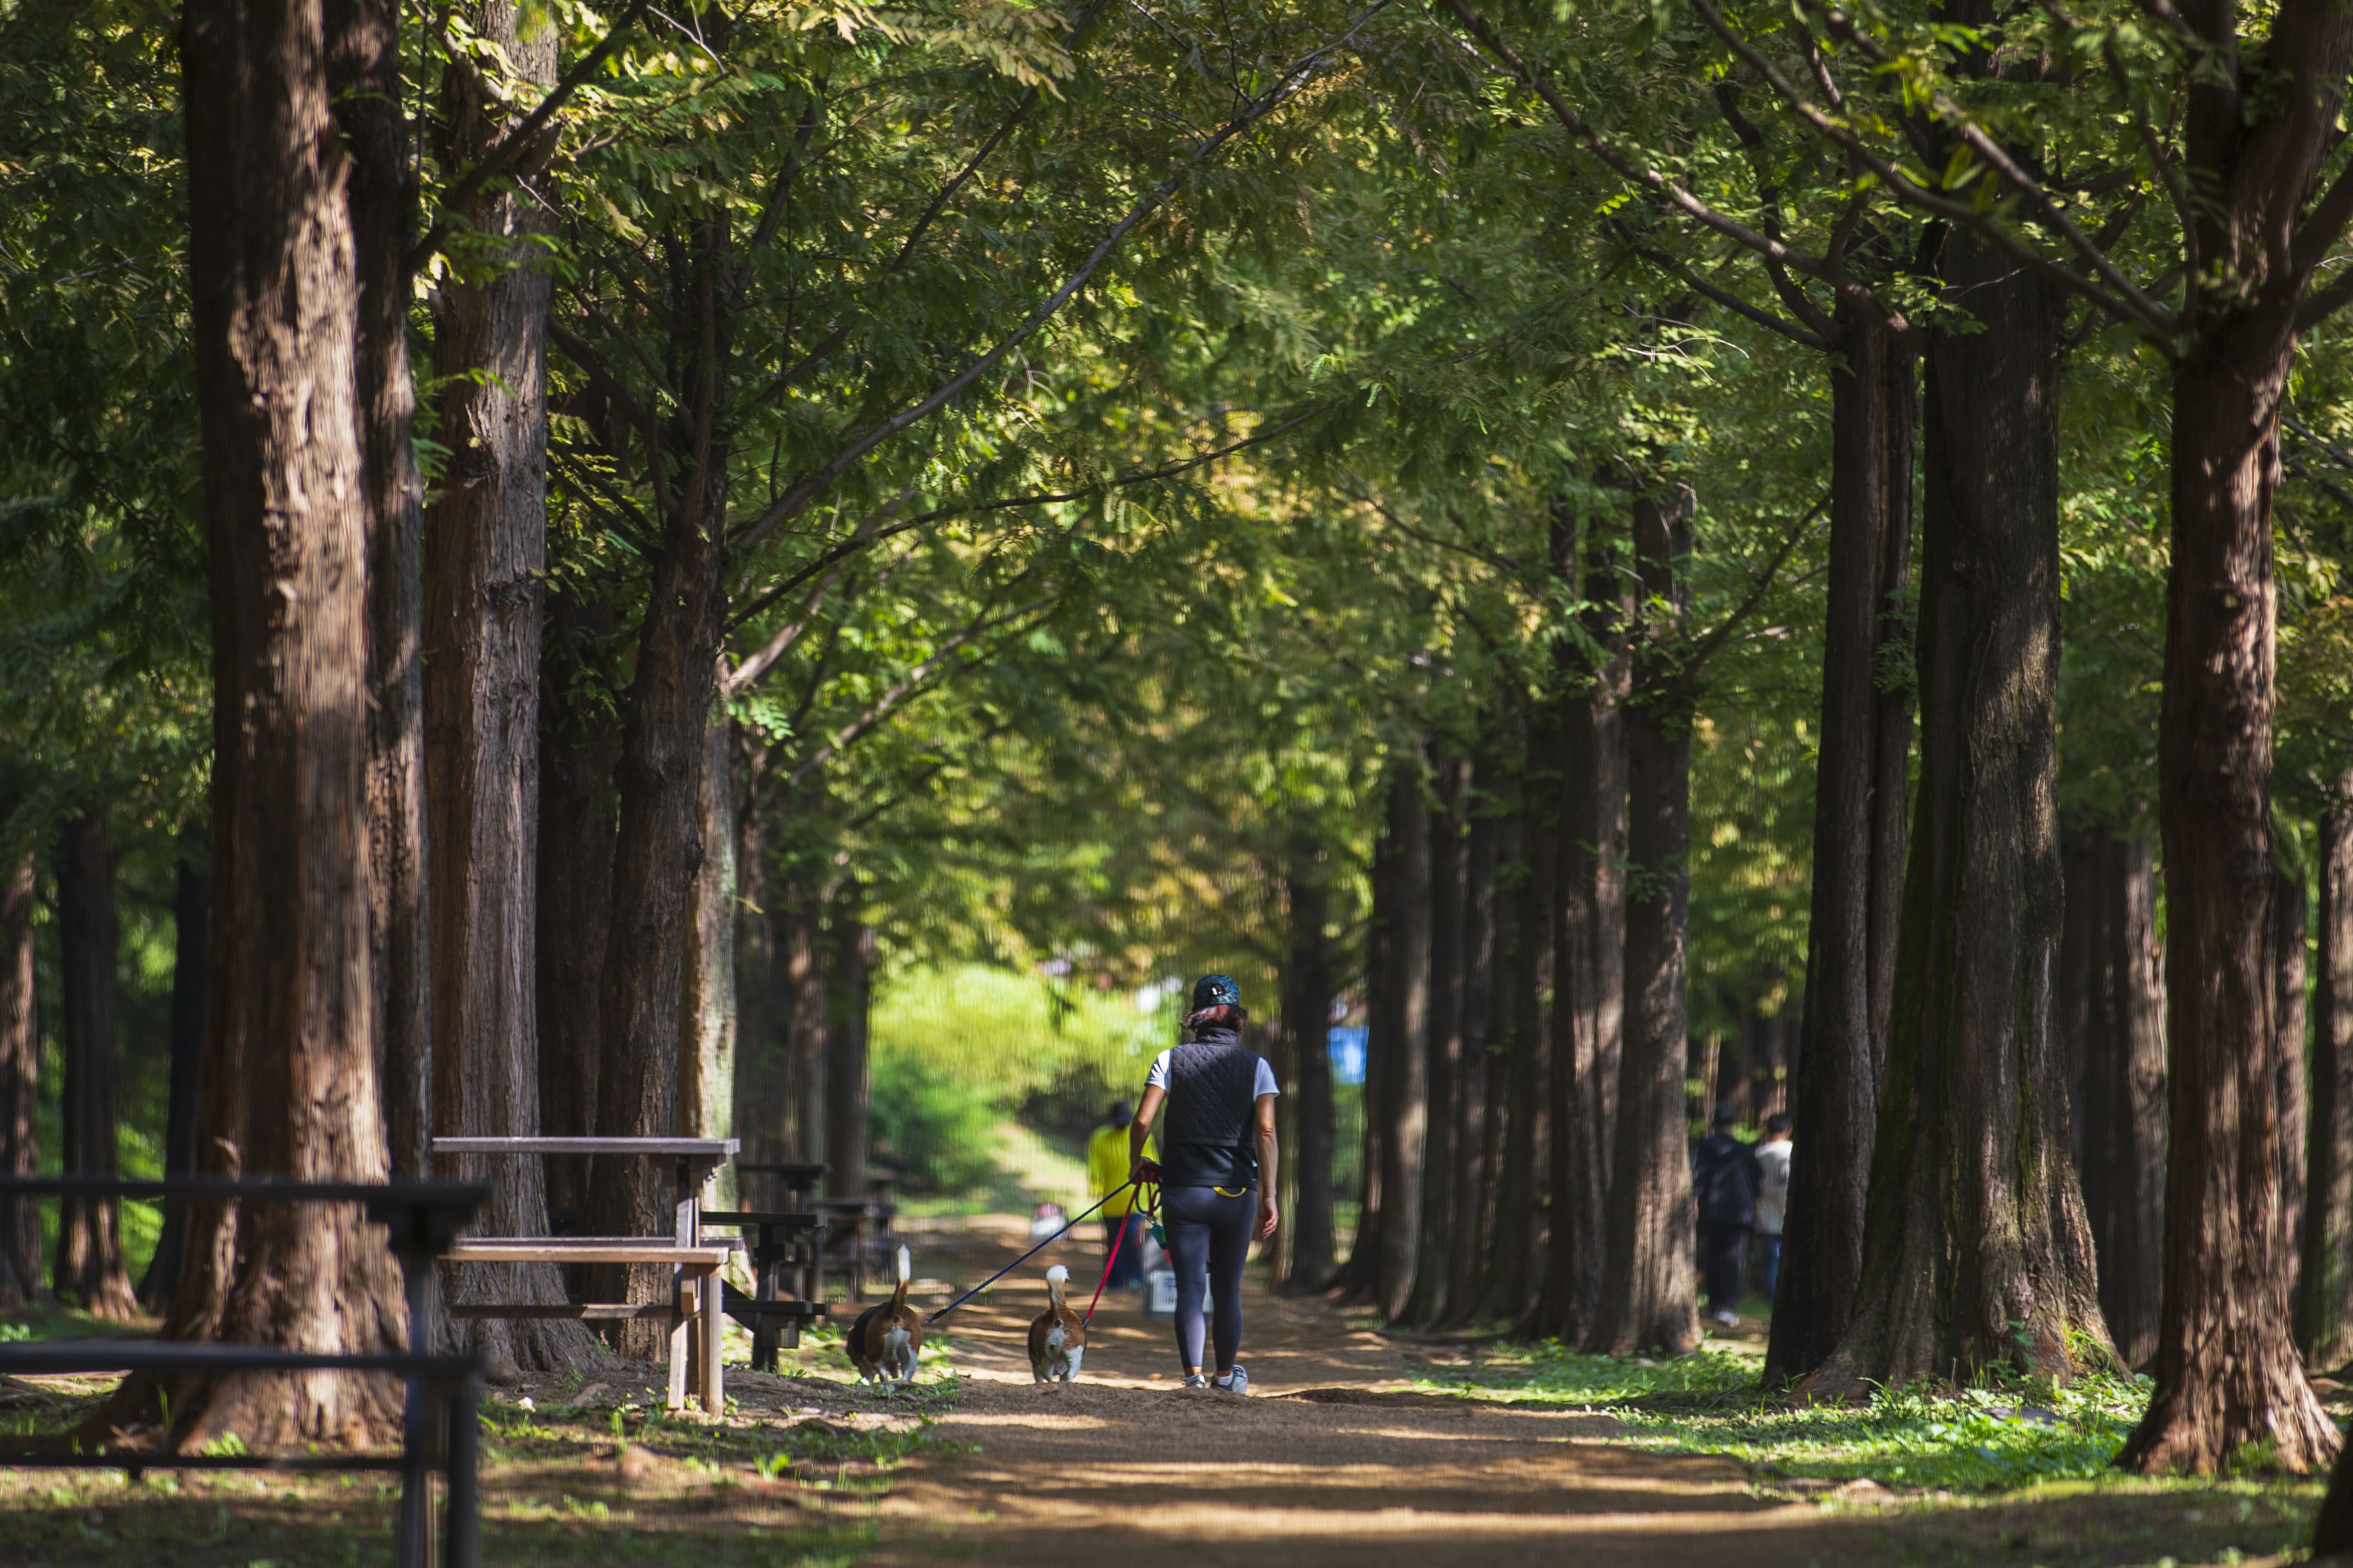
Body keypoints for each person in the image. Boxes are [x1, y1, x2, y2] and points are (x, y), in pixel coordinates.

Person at [1129, 973, 1279, 1392]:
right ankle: (1227, 1376)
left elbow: (1142, 1120)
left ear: (1196, 1015)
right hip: (1235, 1192)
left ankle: (1193, 1376)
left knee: (1192, 1287)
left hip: (1183, 1191)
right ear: (1236, 1017)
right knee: (1228, 1290)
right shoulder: (1258, 1067)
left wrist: (1136, 1161)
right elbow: (1266, 1132)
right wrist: (1270, 1194)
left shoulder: (1170, 1059)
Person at [1689, 1102, 1762, 1328]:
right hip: (1740, 1214)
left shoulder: (1703, 1147)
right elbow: (1757, 1183)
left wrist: (1695, 1201)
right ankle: (1728, 1307)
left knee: (1713, 1256)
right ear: (1733, 1124)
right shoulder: (1745, 1150)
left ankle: (1714, 1305)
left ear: (1714, 1123)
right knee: (1735, 1260)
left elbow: (1697, 1177)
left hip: (1712, 1212)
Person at [1086, 1099, 1152, 1289]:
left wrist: (1153, 1196)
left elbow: (1152, 1165)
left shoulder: (1143, 1136)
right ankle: (1115, 1281)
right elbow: (1095, 1165)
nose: (1122, 1124)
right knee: (1113, 1243)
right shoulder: (1100, 1137)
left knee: (1132, 1242)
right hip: (1111, 1201)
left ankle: (1135, 1279)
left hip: (1136, 1200)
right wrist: (1096, 1187)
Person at [1752, 1113, 1792, 1303]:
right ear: (1788, 1130)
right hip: (1790, 1214)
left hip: (1767, 1215)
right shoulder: (1794, 1152)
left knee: (1771, 1264)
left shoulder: (1759, 1155)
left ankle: (1773, 1302)